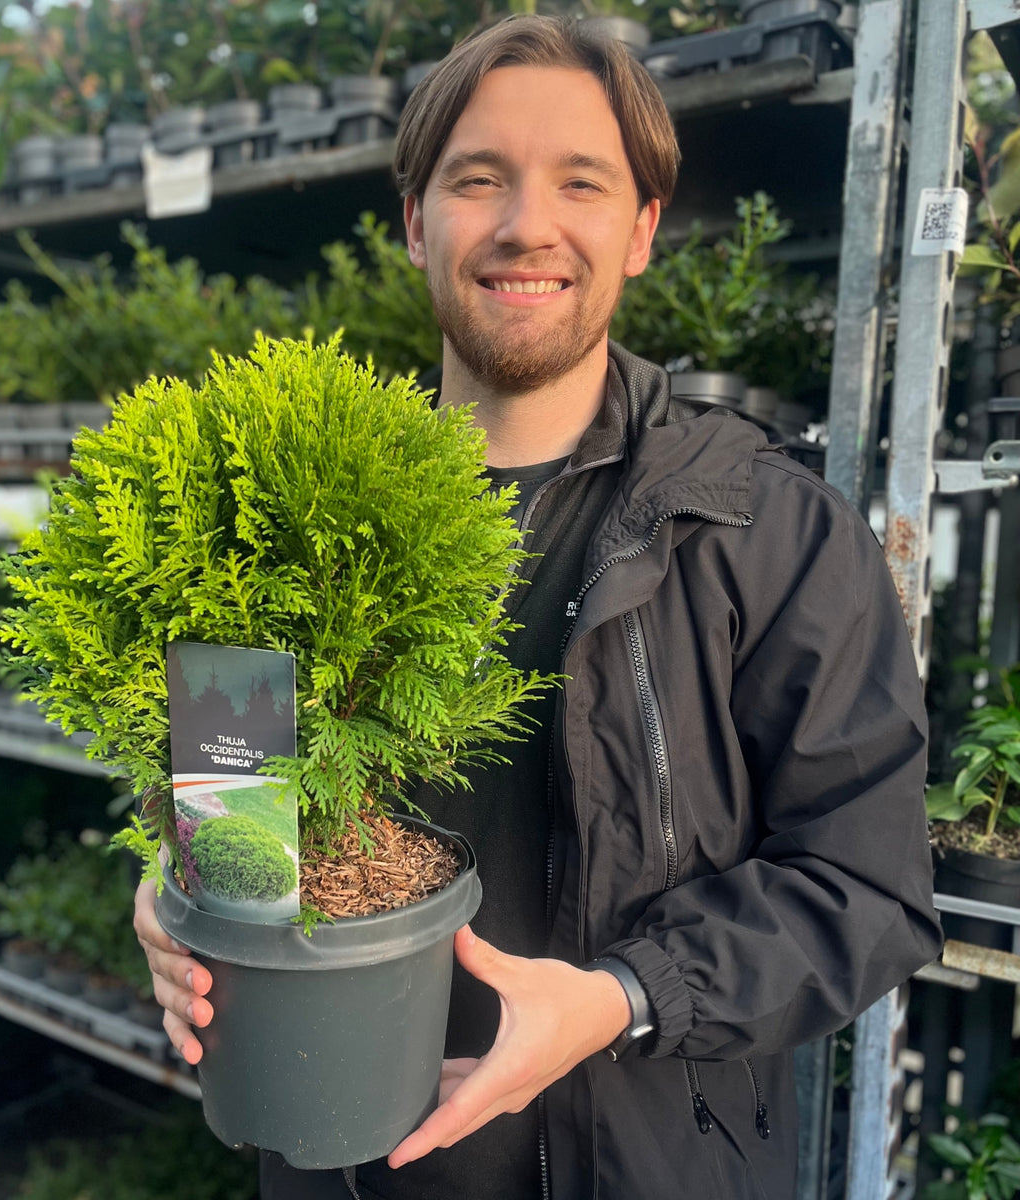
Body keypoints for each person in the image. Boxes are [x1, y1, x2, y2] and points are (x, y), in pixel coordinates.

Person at [134, 15, 943, 1198]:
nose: (526, 225)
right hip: (334, 1163)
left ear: (641, 232)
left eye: (582, 182)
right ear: (416, 222)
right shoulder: (286, 525)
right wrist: (185, 903)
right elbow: (233, 814)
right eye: (478, 178)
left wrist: (626, 998)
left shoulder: (764, 532)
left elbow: (866, 890)